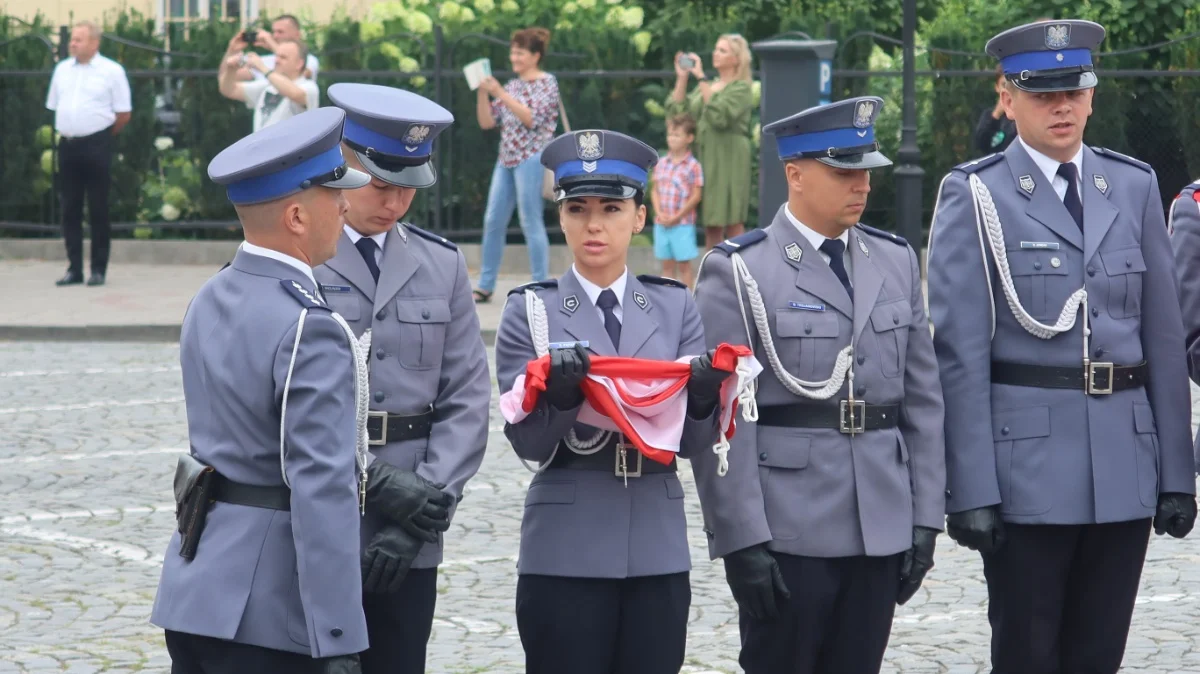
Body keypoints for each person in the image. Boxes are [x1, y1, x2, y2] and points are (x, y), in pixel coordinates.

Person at [927, 20, 1197, 674]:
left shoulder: (1129, 186)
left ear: (1093, 96)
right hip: (1027, 471)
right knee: (1027, 651)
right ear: (1010, 96)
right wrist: (970, 487)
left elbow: (1162, 339)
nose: (1063, 107)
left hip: (1124, 463)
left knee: (1098, 653)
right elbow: (958, 355)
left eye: (1074, 91)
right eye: (1043, 93)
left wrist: (1176, 472)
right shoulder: (977, 194)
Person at [690, 96, 946, 674]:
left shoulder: (895, 260)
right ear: (795, 174)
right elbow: (718, 420)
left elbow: (923, 402)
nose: (861, 185)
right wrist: (741, 538)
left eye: (865, 171)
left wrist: (925, 516)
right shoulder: (740, 271)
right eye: (843, 171)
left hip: (878, 522)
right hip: (788, 530)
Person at [493, 129, 730, 674]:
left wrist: (698, 401)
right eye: (577, 208)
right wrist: (557, 397)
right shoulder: (530, 312)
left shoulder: (675, 308)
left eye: (611, 208)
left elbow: (695, 446)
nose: (594, 224)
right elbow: (527, 443)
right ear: (561, 217)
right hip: (565, 545)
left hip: (654, 539)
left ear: (639, 217)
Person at [149, 107, 373, 673]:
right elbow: (322, 488)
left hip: (196, 590)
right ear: (297, 215)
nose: (346, 206)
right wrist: (339, 635)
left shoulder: (211, 293)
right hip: (269, 613)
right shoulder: (311, 325)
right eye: (334, 194)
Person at [316, 83, 492, 674]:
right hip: (321, 508)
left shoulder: (440, 265)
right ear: (344, 161)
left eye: (408, 189)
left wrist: (424, 510)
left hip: (413, 511)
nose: (394, 204)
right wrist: (369, 484)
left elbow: (466, 398)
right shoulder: (304, 256)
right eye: (382, 184)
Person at [472, 27, 560, 304]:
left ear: (535, 56)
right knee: (493, 220)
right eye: (513, 51)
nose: (514, 57)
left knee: (530, 220)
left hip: (532, 158)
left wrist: (500, 92)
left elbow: (531, 119)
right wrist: (483, 93)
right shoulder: (511, 85)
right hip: (506, 160)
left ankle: (541, 283)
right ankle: (485, 285)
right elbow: (487, 123)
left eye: (520, 52)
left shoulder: (547, 83)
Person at [44, 20, 132, 287]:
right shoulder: (61, 70)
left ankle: (98, 270)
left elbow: (123, 114)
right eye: (72, 38)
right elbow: (54, 106)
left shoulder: (111, 71)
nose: (73, 43)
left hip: (96, 144)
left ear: (95, 43)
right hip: (67, 146)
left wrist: (100, 134)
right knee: (69, 208)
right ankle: (74, 269)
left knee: (98, 208)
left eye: (79, 39)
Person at [666, 34, 755, 251]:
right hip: (705, 155)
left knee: (733, 219)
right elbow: (679, 114)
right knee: (711, 222)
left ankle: (738, 270)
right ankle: (713, 274)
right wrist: (683, 77)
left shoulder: (741, 88)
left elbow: (719, 116)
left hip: (729, 155)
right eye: (716, 48)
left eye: (723, 50)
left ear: (736, 59)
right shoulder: (707, 85)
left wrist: (701, 77)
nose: (716, 53)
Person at [219, 36, 318, 132]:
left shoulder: (309, 87)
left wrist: (262, 67)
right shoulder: (267, 86)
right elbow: (228, 90)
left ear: (299, 64)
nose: (276, 60)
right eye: (277, 56)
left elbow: (295, 94)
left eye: (283, 57)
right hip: (262, 148)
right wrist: (231, 69)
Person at [652, 113, 704, 287]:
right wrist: (660, 213)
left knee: (684, 267)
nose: (672, 139)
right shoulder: (661, 163)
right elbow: (655, 190)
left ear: (689, 138)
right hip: (662, 223)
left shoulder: (693, 166)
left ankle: (687, 303)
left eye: (677, 135)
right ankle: (667, 301)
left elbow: (696, 196)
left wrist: (677, 217)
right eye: (670, 135)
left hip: (682, 224)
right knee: (666, 265)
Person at [236, 15, 321, 82]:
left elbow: (302, 75)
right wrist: (233, 49)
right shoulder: (266, 60)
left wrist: (271, 43)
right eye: (274, 32)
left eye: (280, 32)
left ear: (297, 35)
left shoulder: (310, 60)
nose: (275, 36)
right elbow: (230, 78)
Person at [973, 66, 1018, 156]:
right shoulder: (989, 115)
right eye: (1004, 85)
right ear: (997, 88)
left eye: (1012, 85)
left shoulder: (1024, 114)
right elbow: (980, 144)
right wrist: (996, 115)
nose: (1008, 90)